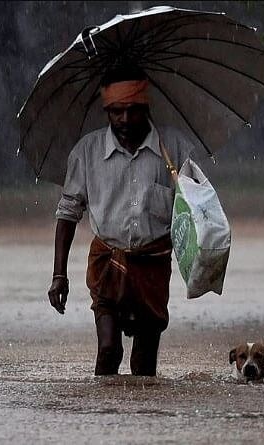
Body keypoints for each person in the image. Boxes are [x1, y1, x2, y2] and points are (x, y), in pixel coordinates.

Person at [47, 66, 198, 376]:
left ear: (146, 107)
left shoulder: (175, 149)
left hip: (152, 264)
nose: (125, 120)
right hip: (107, 263)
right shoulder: (87, 152)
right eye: (116, 112)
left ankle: (143, 421)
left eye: (132, 111)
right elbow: (67, 213)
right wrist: (59, 275)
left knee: (144, 364)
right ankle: (105, 418)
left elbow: (197, 209)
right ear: (106, 111)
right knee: (108, 349)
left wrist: (199, 265)